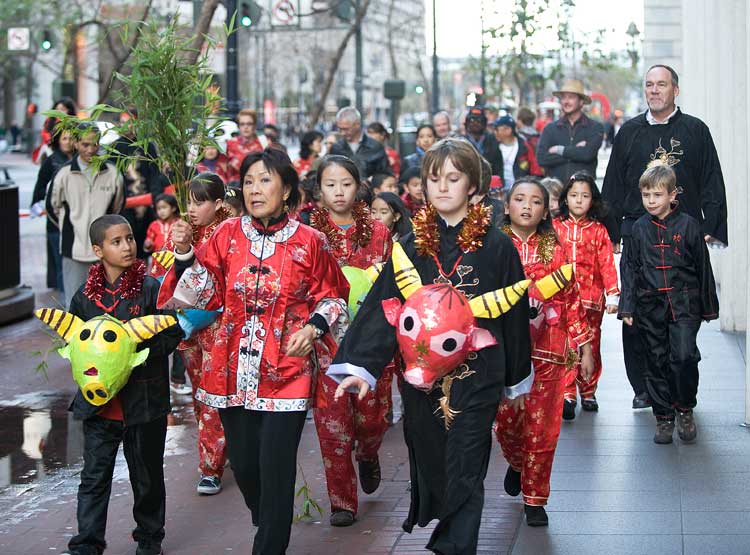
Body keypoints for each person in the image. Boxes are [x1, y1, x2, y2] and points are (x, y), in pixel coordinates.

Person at [328, 138, 532, 553]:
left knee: (467, 463)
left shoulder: (497, 246)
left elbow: (513, 316)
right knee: (436, 462)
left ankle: (455, 546)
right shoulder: (410, 244)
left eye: (453, 178)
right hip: (421, 382)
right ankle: (448, 531)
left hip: (478, 377)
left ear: (473, 185)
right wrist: (360, 367)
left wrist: (514, 382)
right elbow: (386, 303)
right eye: (433, 178)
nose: (442, 187)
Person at [159, 147, 349, 554]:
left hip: (288, 371)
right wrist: (184, 252)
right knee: (245, 466)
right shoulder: (226, 236)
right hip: (229, 370)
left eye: (265, 180)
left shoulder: (310, 242)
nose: (255, 189)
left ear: (286, 190)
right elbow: (203, 293)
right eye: (248, 181)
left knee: (276, 468)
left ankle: (270, 540)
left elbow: (334, 298)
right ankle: (267, 514)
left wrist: (314, 328)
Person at [601, 64, 728, 409]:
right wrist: (611, 231)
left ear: (675, 89)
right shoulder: (628, 131)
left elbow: (712, 179)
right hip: (636, 233)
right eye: (649, 85)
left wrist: (709, 227)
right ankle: (644, 388)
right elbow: (612, 183)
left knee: (680, 313)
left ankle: (679, 384)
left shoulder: (695, 130)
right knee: (635, 314)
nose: (654, 90)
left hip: (682, 237)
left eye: (662, 84)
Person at [61, 214, 182, 555]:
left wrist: (133, 348)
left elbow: (173, 333)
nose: (127, 246)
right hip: (100, 407)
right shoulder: (84, 297)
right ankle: (87, 542)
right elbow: (76, 345)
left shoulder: (151, 289)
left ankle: (149, 537)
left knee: (147, 479)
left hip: (144, 405)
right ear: (98, 250)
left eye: (129, 238)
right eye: (117, 242)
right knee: (94, 479)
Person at [495, 177, 593, 527]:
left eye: (535, 201)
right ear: (506, 206)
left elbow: (571, 298)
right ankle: (517, 461)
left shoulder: (557, 246)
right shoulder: (493, 245)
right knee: (506, 423)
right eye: (519, 199)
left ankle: (535, 499)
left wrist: (584, 345)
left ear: (545, 209)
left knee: (544, 428)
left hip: (548, 353)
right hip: (504, 354)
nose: (526, 206)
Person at [308, 155, 393, 527]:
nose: (339, 191)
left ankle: (369, 453)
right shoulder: (308, 236)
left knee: (372, 420)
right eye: (330, 184)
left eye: (346, 183)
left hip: (371, 344)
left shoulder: (379, 232)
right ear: (319, 190)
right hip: (325, 345)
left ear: (358, 186)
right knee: (332, 425)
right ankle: (342, 502)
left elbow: (394, 286)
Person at [619, 164, 718, 444]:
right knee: (655, 360)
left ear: (672, 195)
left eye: (657, 195)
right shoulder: (638, 229)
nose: (651, 201)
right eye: (646, 195)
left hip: (685, 303)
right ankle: (663, 417)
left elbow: (703, 266)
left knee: (684, 356)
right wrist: (627, 306)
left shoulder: (689, 225)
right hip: (649, 305)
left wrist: (708, 306)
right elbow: (628, 267)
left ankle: (685, 407)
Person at [152, 173, 231, 495]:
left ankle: (211, 466)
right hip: (188, 333)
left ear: (219, 204)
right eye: (190, 202)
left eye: (201, 202)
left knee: (215, 396)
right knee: (201, 396)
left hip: (222, 330)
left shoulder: (230, 234)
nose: (194, 209)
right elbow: (160, 276)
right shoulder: (181, 234)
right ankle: (220, 452)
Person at [553, 172, 620, 419]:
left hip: (591, 300)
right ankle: (568, 392)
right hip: (561, 299)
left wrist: (613, 294)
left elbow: (606, 263)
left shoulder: (599, 231)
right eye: (573, 195)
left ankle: (588, 390)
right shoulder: (555, 227)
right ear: (565, 198)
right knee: (567, 344)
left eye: (585, 196)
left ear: (593, 200)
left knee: (591, 344)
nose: (579, 200)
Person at [49, 122, 126, 309]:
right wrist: (71, 227)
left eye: (95, 144)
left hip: (106, 251)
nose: (91, 149)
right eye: (85, 144)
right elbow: (53, 207)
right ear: (75, 143)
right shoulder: (64, 174)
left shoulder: (113, 174)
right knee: (74, 305)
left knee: (108, 303)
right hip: (73, 249)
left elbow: (117, 208)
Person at [113, 111, 169, 260]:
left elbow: (154, 174)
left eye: (130, 122)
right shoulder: (115, 148)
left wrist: (157, 199)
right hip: (125, 203)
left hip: (147, 202)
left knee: (147, 244)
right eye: (123, 122)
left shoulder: (147, 145)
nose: (127, 125)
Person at [536, 79, 604, 183]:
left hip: (583, 191)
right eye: (563, 98)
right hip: (555, 192)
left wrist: (560, 150)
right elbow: (542, 158)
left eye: (571, 97)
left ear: (581, 102)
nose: (566, 101)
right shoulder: (550, 129)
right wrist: (576, 150)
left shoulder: (595, 127)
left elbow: (588, 155)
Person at [33, 127, 75, 293]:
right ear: (58, 140)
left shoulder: (82, 160)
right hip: (56, 221)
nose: (68, 142)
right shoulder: (51, 161)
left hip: (77, 222)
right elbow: (40, 187)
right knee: (61, 265)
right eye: (65, 139)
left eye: (71, 138)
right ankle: (65, 303)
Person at [329, 107, 390, 179]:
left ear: (357, 124)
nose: (342, 133)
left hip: (369, 189)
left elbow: (386, 174)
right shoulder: (336, 148)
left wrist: (373, 181)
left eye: (346, 129)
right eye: (340, 129)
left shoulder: (376, 147)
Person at [491, 114, 542, 189]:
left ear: (508, 130)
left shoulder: (525, 146)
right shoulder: (492, 147)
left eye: (497, 129)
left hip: (521, 190)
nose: (494, 132)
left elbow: (535, 170)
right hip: (498, 192)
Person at [226, 109, 267, 182]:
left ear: (254, 126)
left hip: (257, 186)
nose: (246, 127)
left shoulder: (263, 142)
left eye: (249, 124)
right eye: (242, 124)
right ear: (238, 126)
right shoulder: (230, 144)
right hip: (235, 187)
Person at [462, 106, 502, 175]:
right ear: (467, 123)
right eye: (471, 120)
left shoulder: (493, 141)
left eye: (479, 121)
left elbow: (499, 167)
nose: (475, 123)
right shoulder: (460, 142)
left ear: (484, 123)